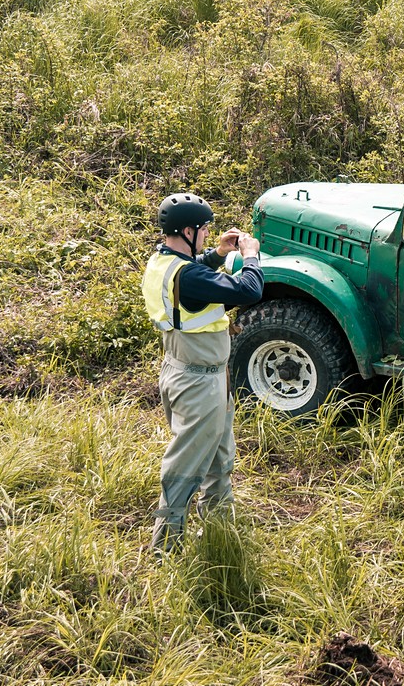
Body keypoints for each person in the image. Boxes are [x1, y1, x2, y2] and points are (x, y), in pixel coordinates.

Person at [140, 193, 264, 555]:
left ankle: (218, 531)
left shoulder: (162, 262)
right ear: (188, 231)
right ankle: (165, 549)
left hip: (196, 373)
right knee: (185, 468)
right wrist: (250, 255)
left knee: (220, 460)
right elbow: (250, 289)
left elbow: (192, 272)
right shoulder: (191, 277)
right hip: (199, 383)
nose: (208, 234)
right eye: (205, 230)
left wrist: (218, 254)